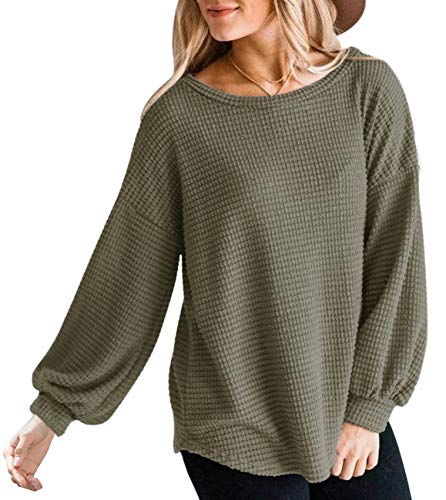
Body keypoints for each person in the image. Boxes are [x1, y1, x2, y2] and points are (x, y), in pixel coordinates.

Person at [4, 0, 428, 498]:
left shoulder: (366, 89)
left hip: (343, 408)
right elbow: (128, 272)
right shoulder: (179, 116)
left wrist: (368, 406)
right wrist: (53, 410)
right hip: (231, 422)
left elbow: (396, 256)